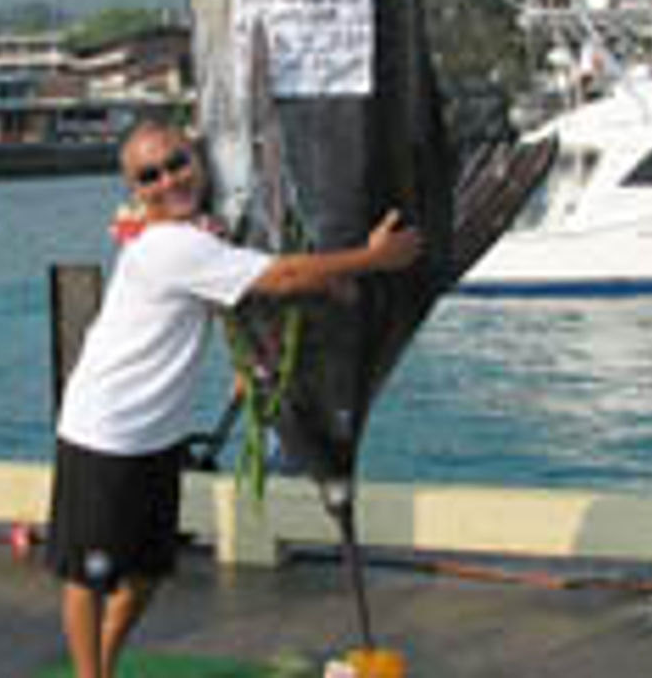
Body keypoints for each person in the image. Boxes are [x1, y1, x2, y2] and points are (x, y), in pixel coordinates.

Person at [45, 119, 423, 678]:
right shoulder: (171, 245)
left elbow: (213, 299)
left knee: (146, 571)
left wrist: (242, 359)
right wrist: (372, 259)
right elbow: (286, 276)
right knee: (90, 574)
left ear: (197, 159)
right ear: (136, 191)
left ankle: (104, 663)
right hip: (104, 429)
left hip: (155, 433)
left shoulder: (199, 234)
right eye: (151, 175)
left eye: (177, 162)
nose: (169, 179)